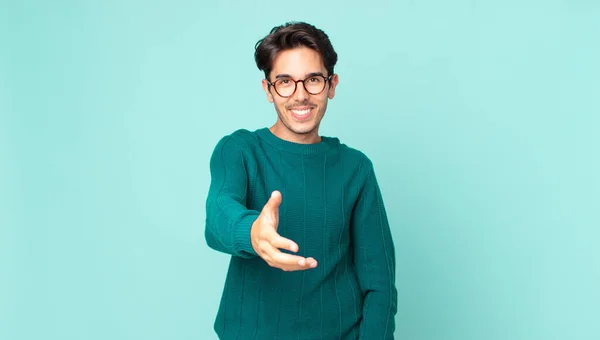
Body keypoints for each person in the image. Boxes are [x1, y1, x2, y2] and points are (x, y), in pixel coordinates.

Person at [205, 21, 397, 339]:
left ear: (331, 85)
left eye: (313, 80)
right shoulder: (238, 150)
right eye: (285, 82)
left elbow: (379, 284)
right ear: (268, 90)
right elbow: (219, 213)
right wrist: (252, 232)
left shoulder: (356, 168)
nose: (301, 95)